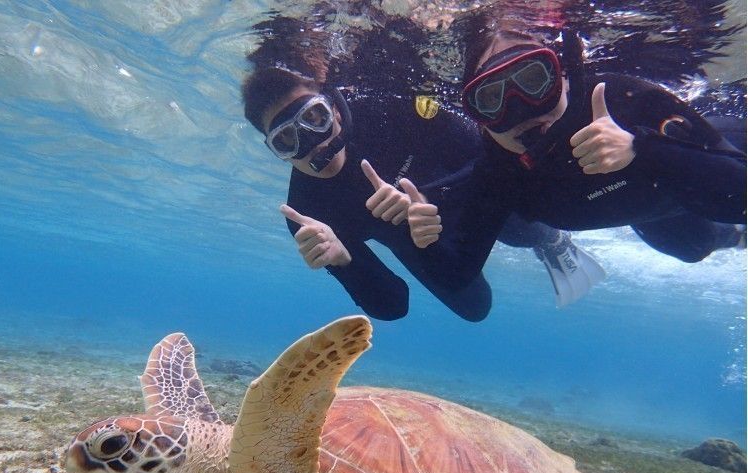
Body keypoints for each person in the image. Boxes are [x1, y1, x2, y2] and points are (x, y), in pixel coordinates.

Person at [241, 66, 606, 320]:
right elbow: (393, 305)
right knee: (476, 308)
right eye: (288, 140)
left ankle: (550, 241)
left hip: (465, 190)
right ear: (276, 151)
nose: (311, 143)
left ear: (335, 108)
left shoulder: (389, 109)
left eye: (314, 118)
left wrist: (432, 198)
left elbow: (484, 154)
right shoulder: (308, 216)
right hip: (410, 239)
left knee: (525, 228)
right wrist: (342, 261)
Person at [406, 26, 746, 269]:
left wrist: (642, 149)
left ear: (565, 76)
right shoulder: (501, 173)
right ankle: (735, 238)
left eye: (533, 80)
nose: (521, 108)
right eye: (492, 98)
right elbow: (457, 272)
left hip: (704, 163)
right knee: (693, 248)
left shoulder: (625, 102)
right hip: (653, 208)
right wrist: (423, 240)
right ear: (478, 117)